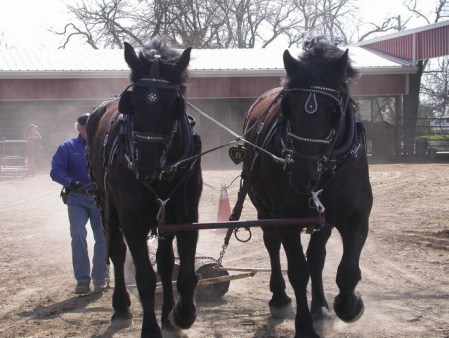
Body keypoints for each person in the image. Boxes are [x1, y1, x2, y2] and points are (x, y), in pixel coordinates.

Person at [50, 113, 107, 294]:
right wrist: (70, 182)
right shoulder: (67, 148)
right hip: (77, 197)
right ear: (79, 128)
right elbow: (56, 170)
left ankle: (100, 278)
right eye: (85, 128)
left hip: (100, 198)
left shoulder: (104, 147)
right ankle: (82, 280)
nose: (88, 131)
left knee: (103, 238)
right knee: (78, 236)